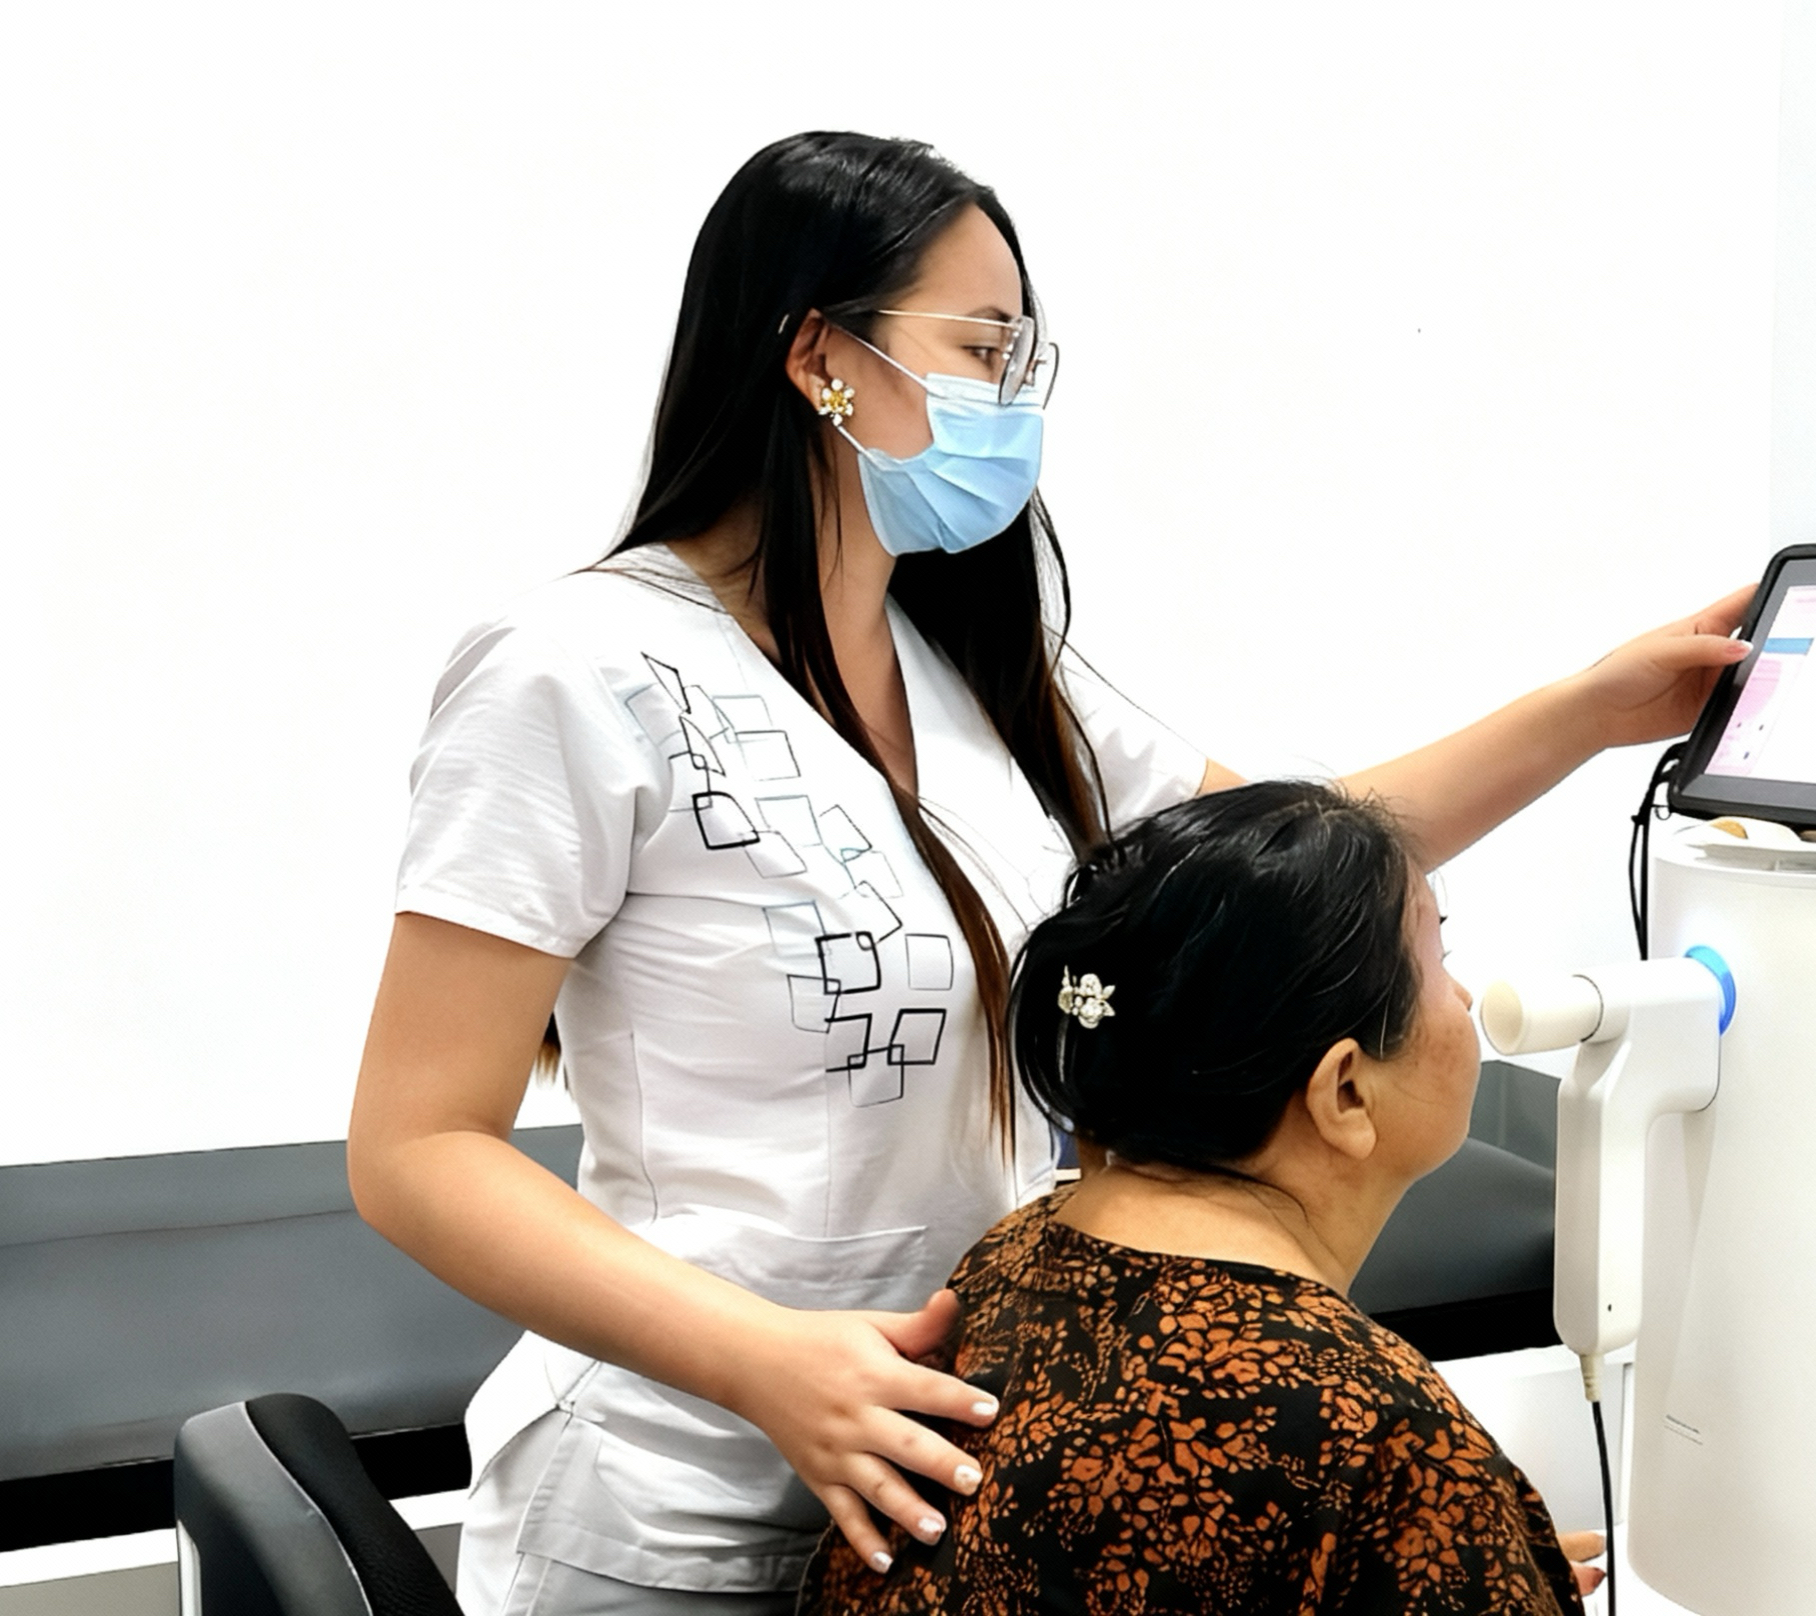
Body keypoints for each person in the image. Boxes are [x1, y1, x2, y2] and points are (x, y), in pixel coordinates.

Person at [347, 129, 1743, 1615]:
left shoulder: (976, 674)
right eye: (980, 349)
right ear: (821, 355)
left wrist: (1597, 711)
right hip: (675, 1507)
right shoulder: (575, 671)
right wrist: (759, 1360)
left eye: (1026, 361)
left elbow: (1293, 866)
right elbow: (417, 1145)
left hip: (940, 1493)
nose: (1011, 402)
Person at [800, 780, 1595, 1616]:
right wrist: (1459, 1536)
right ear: (1346, 1093)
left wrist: (1478, 1558)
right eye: (1439, 965)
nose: (1464, 1001)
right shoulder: (1380, 1431)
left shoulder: (1011, 1258)